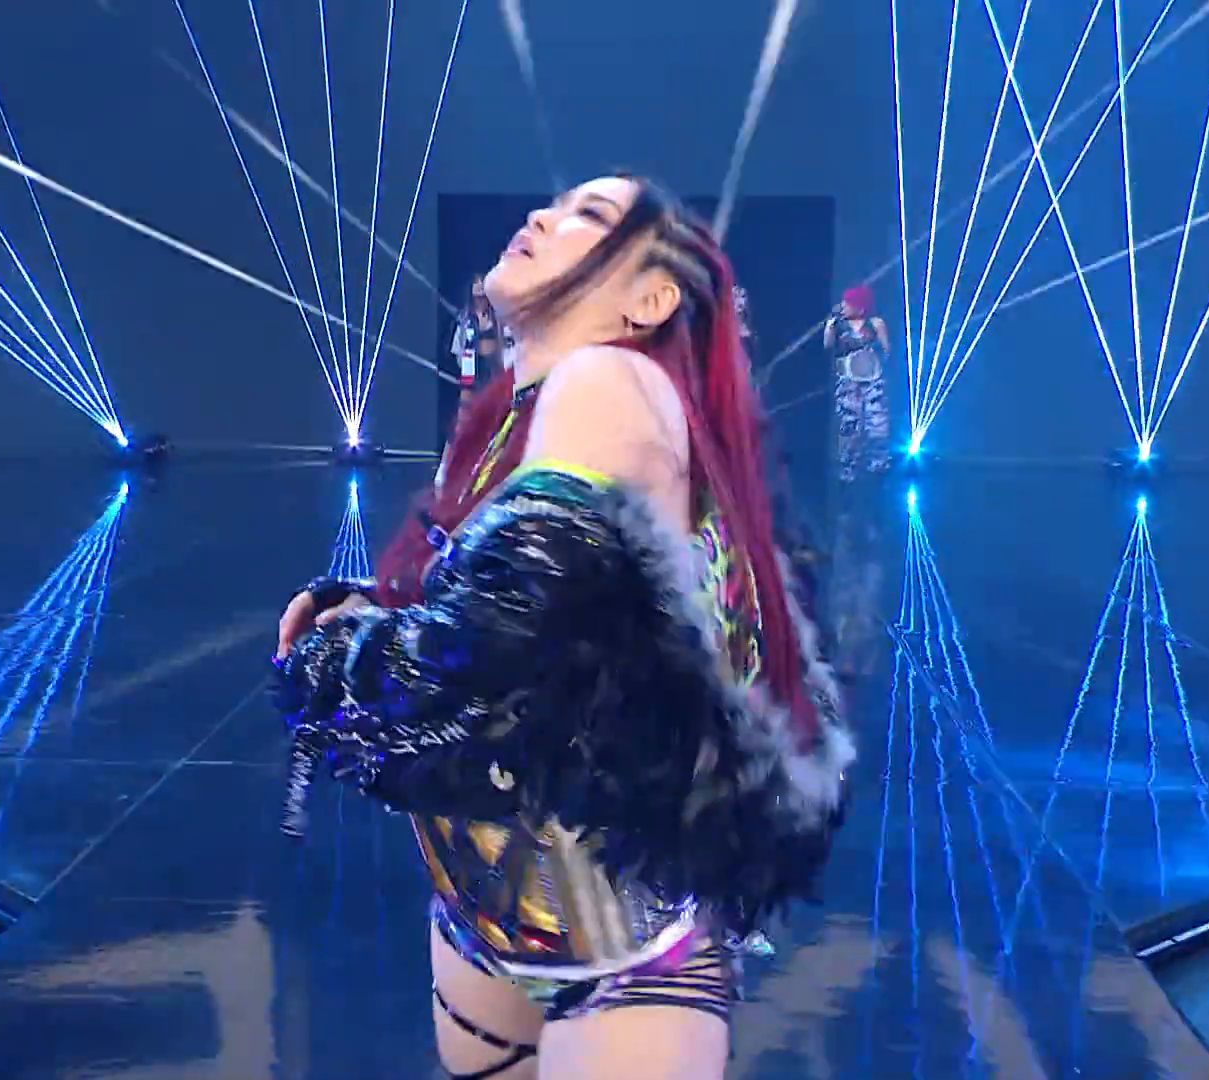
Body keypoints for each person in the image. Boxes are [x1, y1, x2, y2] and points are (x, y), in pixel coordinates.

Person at [272, 175, 851, 1080]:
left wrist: (330, 662)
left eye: (592, 216)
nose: (541, 215)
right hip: (500, 914)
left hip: (615, 944)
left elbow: (493, 645)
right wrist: (376, 610)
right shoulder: (525, 412)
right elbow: (534, 616)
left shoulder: (603, 380)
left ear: (650, 300)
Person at [823, 284, 893, 479]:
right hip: (848, 382)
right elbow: (828, 346)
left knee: (877, 424)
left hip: (872, 381)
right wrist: (829, 327)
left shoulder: (875, 324)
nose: (843, 306)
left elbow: (887, 350)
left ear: (860, 307)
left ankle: (878, 464)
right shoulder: (838, 325)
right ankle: (847, 466)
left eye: (848, 303)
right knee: (849, 425)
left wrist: (873, 358)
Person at [450, 277, 510, 408]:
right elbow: (457, 349)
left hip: (494, 373)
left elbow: (507, 346)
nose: (481, 301)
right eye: (478, 298)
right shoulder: (465, 319)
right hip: (471, 376)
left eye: (483, 297)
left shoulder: (498, 317)